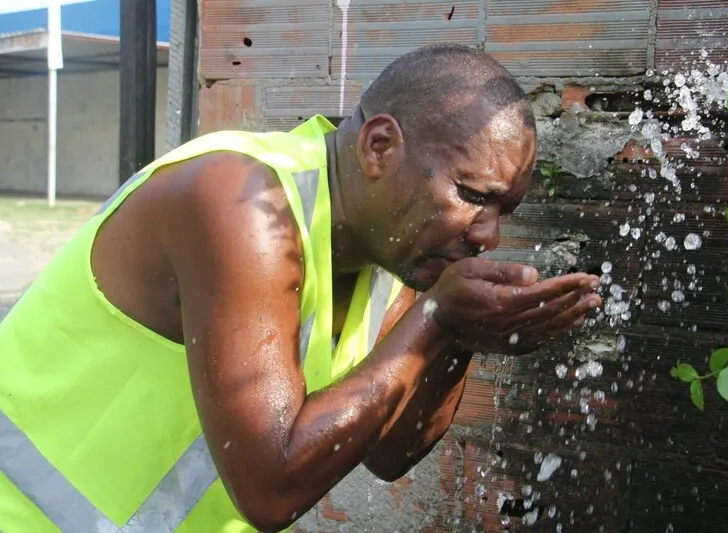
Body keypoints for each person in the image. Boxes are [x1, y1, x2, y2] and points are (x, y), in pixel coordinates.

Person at [0, 43, 601, 533]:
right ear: (379, 146)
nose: (488, 236)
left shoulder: (386, 252)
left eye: (504, 210)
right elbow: (270, 489)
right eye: (472, 195)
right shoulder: (238, 203)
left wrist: (464, 334)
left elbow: (392, 452)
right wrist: (438, 320)